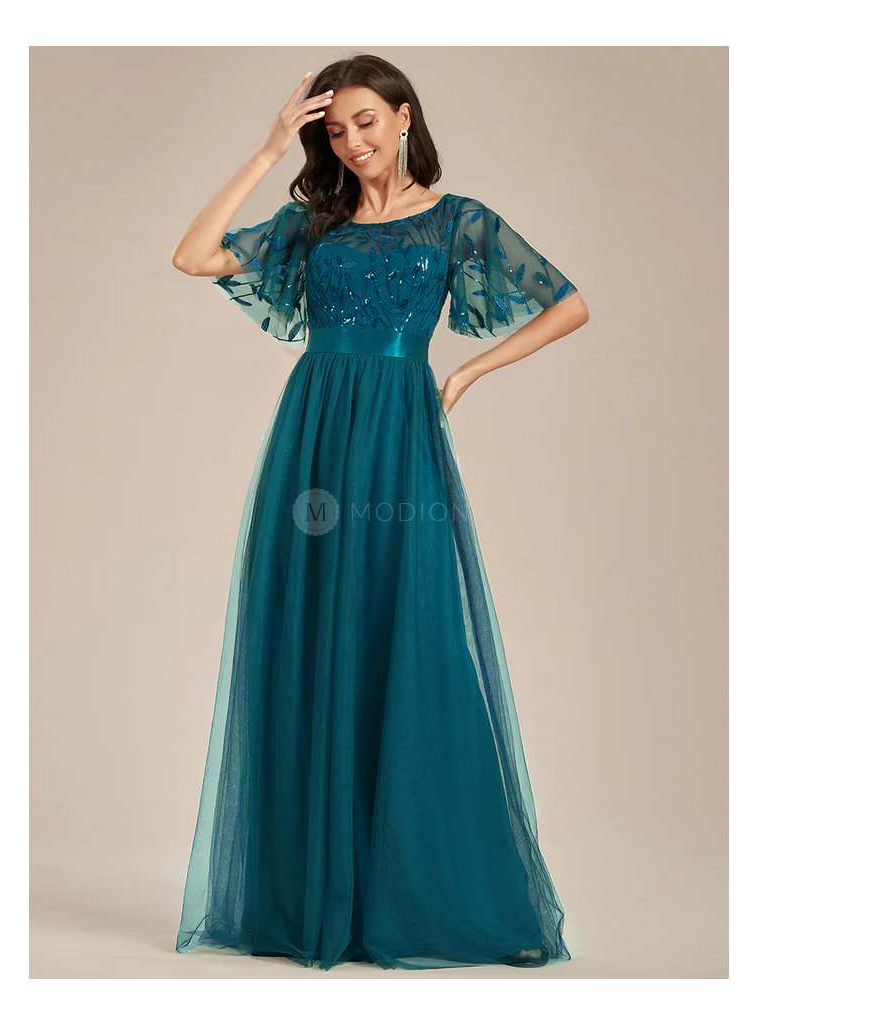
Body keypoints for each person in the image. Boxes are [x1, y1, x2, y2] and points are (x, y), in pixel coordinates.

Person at [170, 53, 590, 971]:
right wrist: (267, 148)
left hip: (398, 434)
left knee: (409, 637)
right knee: (310, 632)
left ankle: (428, 896)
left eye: (366, 121)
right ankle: (317, 898)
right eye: (334, 130)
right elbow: (193, 256)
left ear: (404, 118)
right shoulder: (312, 226)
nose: (352, 141)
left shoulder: (457, 221)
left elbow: (570, 305)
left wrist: (467, 372)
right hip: (313, 438)